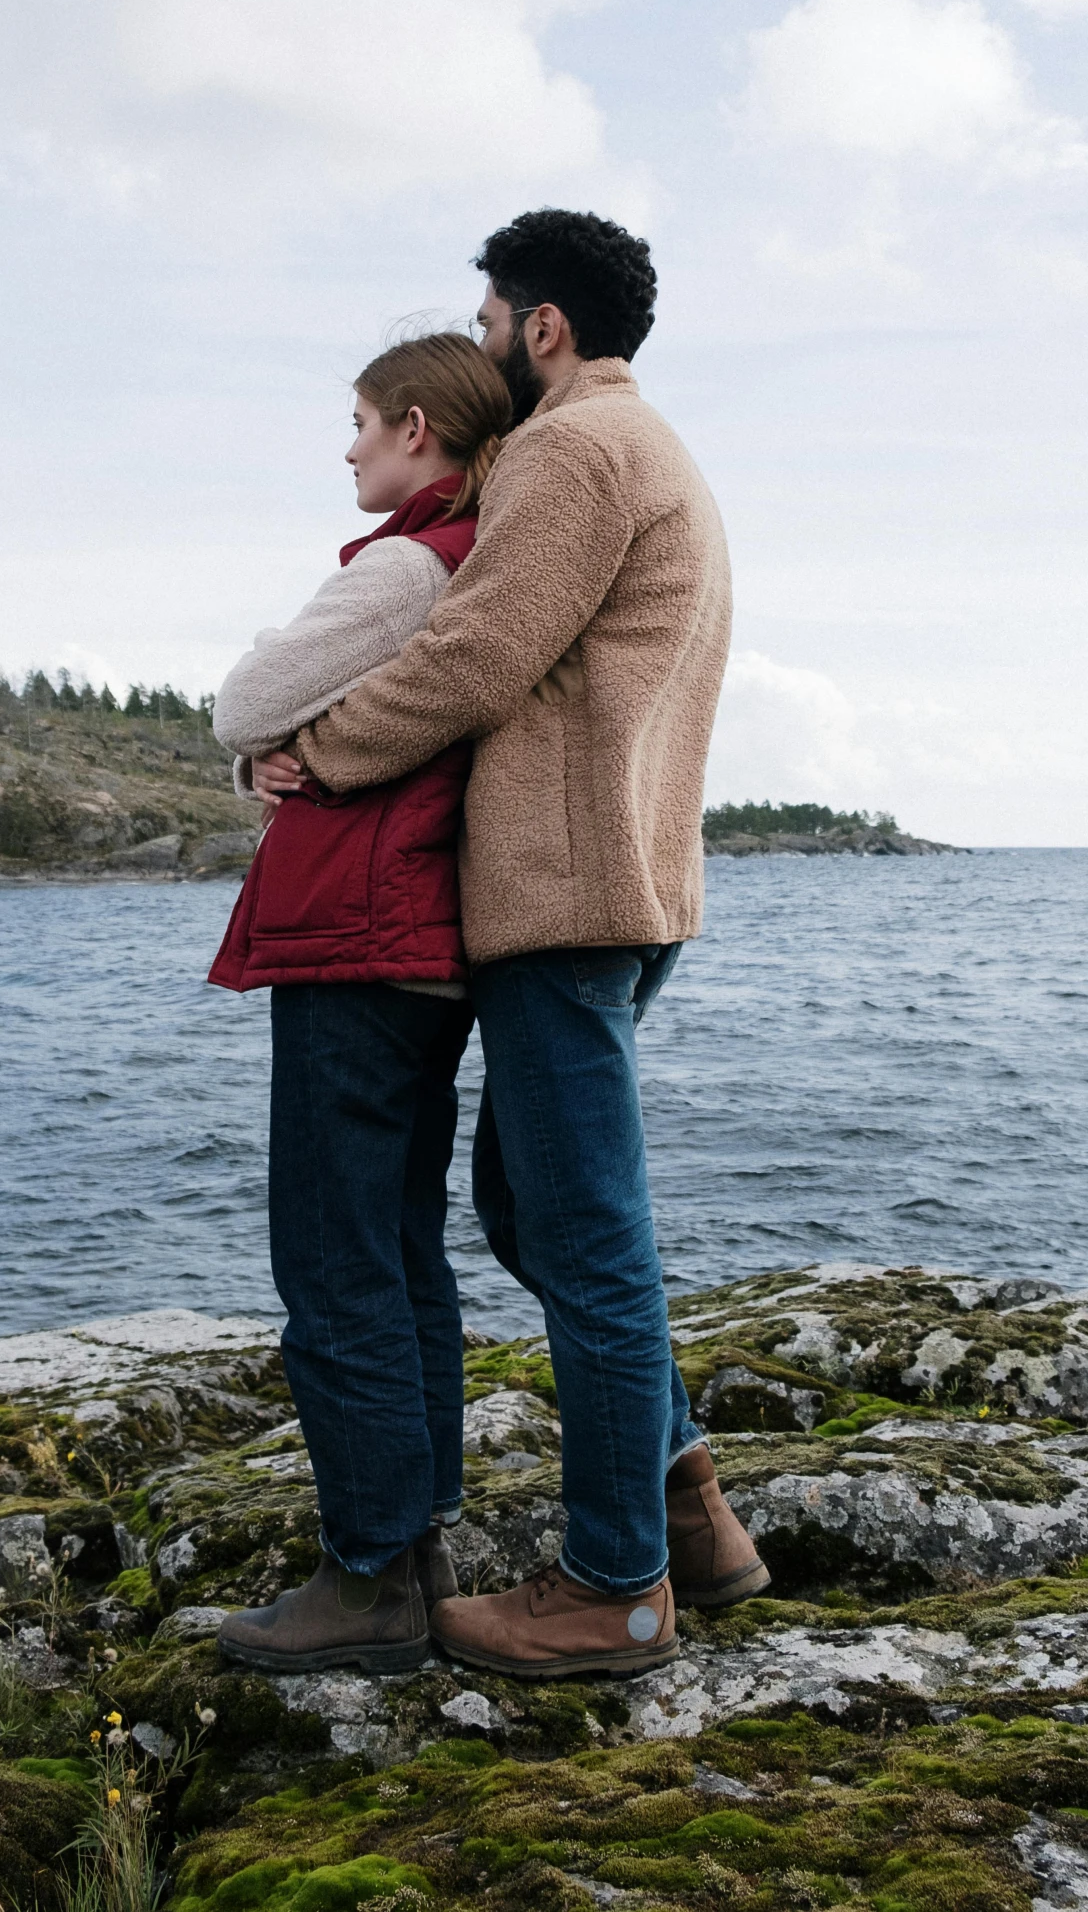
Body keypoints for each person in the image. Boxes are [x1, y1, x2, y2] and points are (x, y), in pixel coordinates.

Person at [257, 209, 769, 1680]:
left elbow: (479, 647)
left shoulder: (567, 449)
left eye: (487, 318)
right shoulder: (656, 448)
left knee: (584, 1236)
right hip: (626, 887)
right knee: (529, 1211)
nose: (480, 345)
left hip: (558, 900)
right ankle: (690, 1510)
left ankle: (612, 1586)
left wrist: (317, 748)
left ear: (539, 325)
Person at [209, 331, 511, 1675]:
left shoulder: (402, 563)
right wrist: (269, 765)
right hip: (422, 946)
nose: (346, 448)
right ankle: (418, 1541)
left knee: (333, 1260)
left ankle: (370, 1573)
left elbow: (243, 699)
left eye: (356, 425)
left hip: (358, 943)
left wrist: (262, 749)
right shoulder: (473, 558)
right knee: (397, 1252)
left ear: (413, 426)